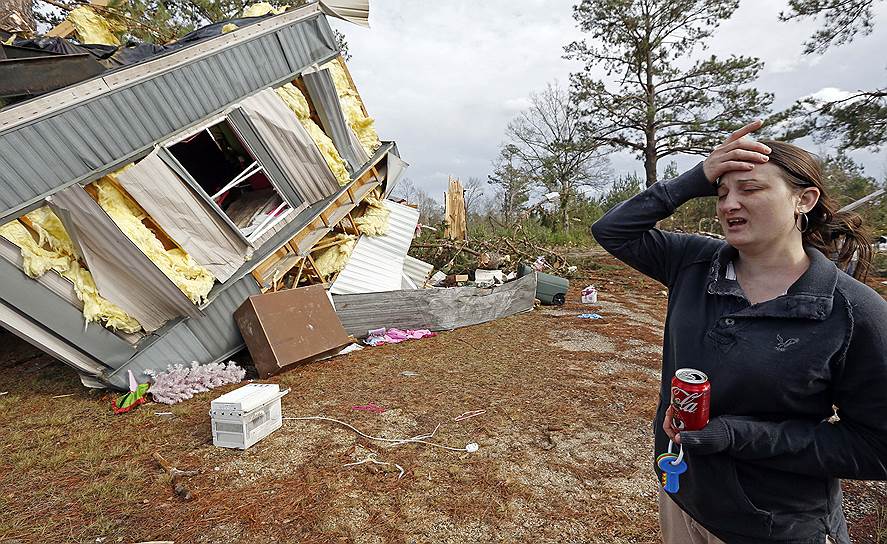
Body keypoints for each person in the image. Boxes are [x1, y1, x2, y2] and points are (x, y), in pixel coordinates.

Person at [591, 120, 887, 544]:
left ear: (804, 200)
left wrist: (736, 436)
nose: (729, 203)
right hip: (684, 496)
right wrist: (697, 177)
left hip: (772, 524)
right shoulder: (694, 263)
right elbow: (612, 230)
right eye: (722, 192)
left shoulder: (854, 311)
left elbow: (877, 448)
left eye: (750, 190)